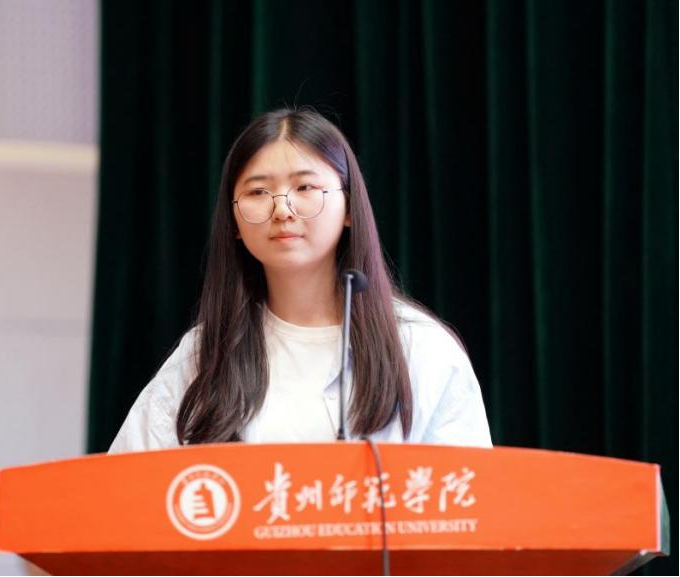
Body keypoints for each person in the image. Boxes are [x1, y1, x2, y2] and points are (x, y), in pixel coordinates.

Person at [108, 107, 492, 453]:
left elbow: (470, 496)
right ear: (234, 222)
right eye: (258, 191)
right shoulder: (205, 353)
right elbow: (126, 484)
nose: (282, 209)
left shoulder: (422, 348)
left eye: (305, 187)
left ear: (349, 208)